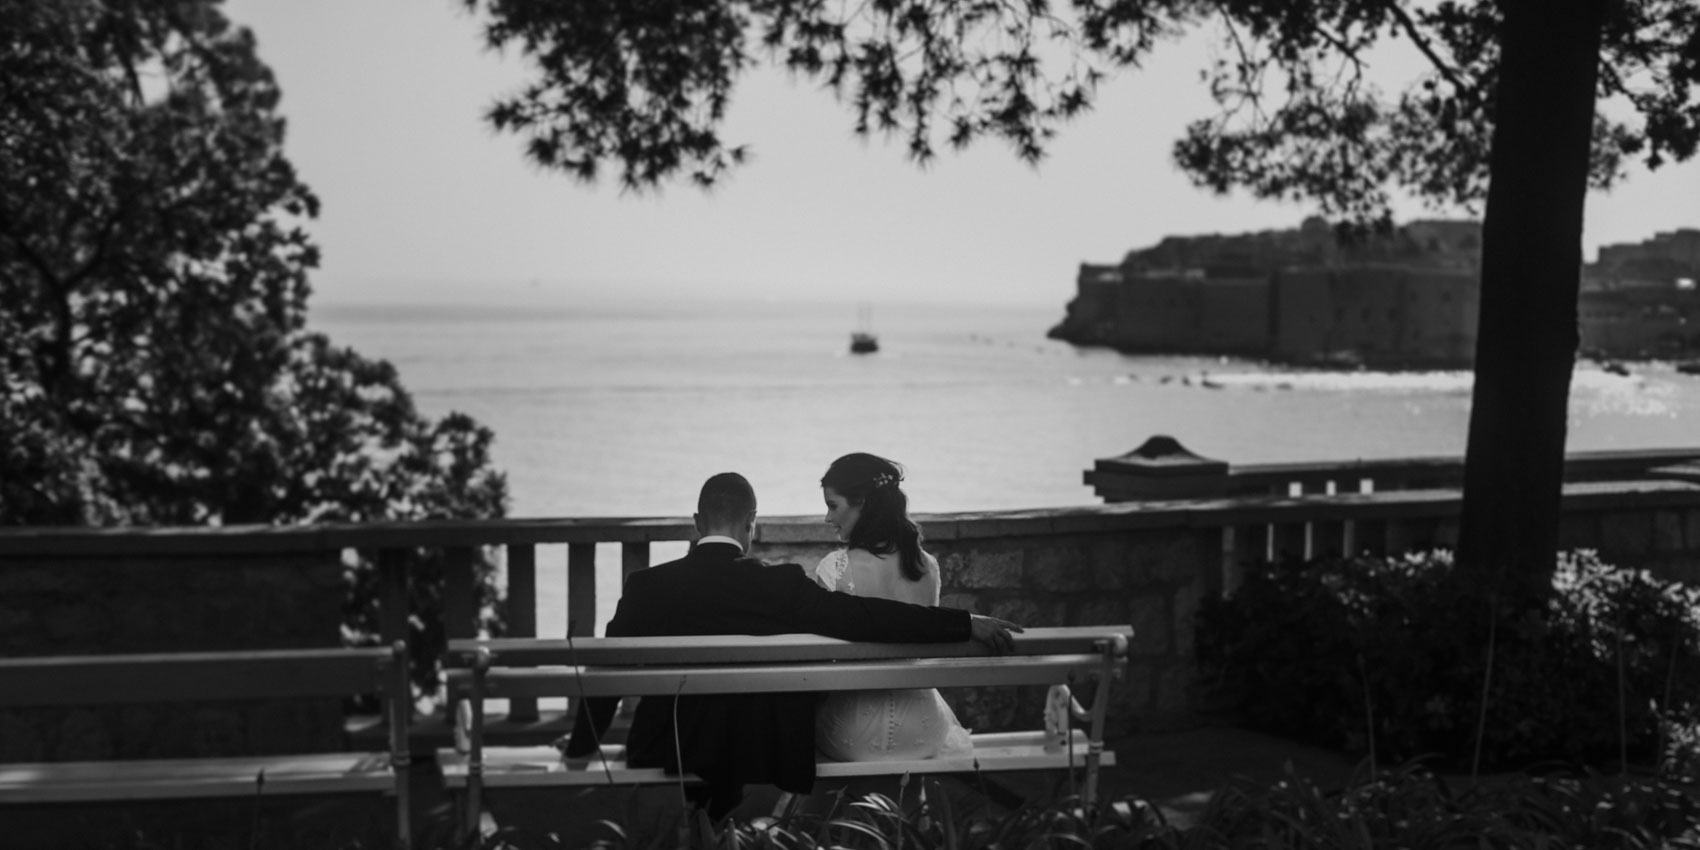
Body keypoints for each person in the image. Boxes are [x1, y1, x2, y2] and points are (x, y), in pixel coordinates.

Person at [561, 472, 1019, 821]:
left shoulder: (646, 587)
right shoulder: (780, 585)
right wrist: (964, 623)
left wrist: (582, 748)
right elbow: (867, 617)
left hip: (668, 747)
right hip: (758, 749)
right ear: (751, 525)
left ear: (697, 524)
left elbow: (606, 671)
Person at [813, 452, 973, 762]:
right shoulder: (926, 566)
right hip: (923, 727)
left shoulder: (834, 568)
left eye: (833, 506)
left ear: (861, 502)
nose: (827, 518)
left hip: (853, 731)